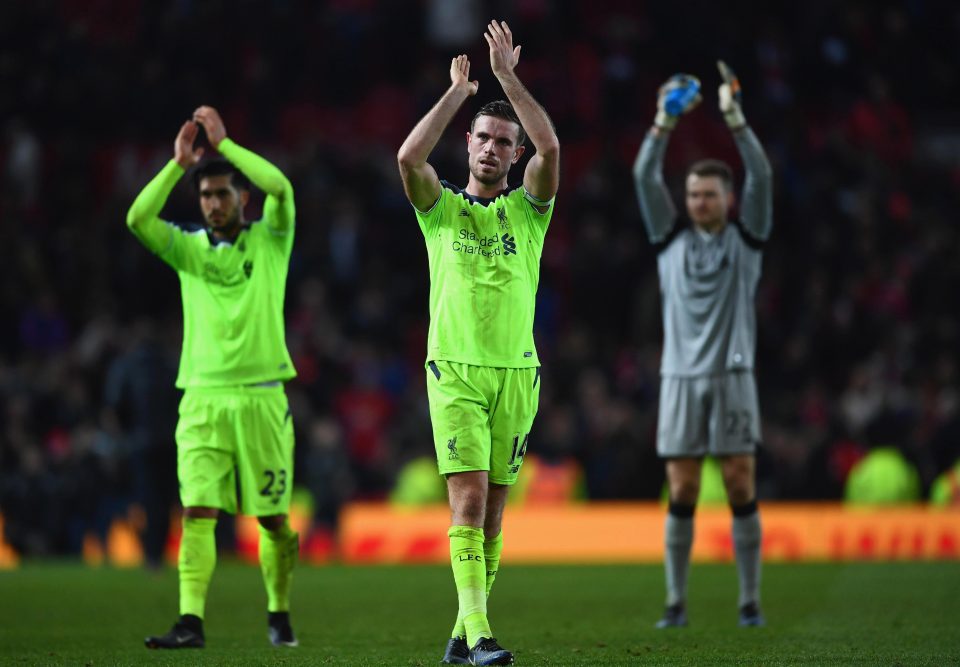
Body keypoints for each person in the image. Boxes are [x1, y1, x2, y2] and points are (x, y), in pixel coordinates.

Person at [397, 20, 559, 666]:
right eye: (484, 139)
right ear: (468, 144)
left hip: (517, 373)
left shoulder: (528, 211)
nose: (492, 149)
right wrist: (458, 93)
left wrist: (508, 79)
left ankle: (466, 630)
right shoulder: (440, 210)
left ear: (513, 156)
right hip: (456, 371)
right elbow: (409, 158)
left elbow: (551, 147)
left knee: (492, 517)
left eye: (503, 143)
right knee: (466, 502)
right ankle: (481, 635)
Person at [127, 106, 300, 649]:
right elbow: (136, 219)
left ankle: (278, 610)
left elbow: (281, 186)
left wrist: (225, 146)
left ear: (241, 199)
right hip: (201, 397)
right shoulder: (188, 250)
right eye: (206, 196)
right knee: (197, 511)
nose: (214, 203)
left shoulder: (272, 240)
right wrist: (177, 166)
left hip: (262, 399)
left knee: (272, 521)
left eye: (224, 193)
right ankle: (190, 622)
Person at [633, 62, 773, 628]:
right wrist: (662, 125)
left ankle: (749, 601)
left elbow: (762, 177)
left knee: (740, 480)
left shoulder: (747, 238)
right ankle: (675, 602)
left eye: (708, 194)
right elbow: (645, 177)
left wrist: (736, 121)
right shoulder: (669, 238)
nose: (697, 202)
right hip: (680, 378)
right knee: (683, 485)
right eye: (691, 194)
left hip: (733, 375)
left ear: (728, 199)